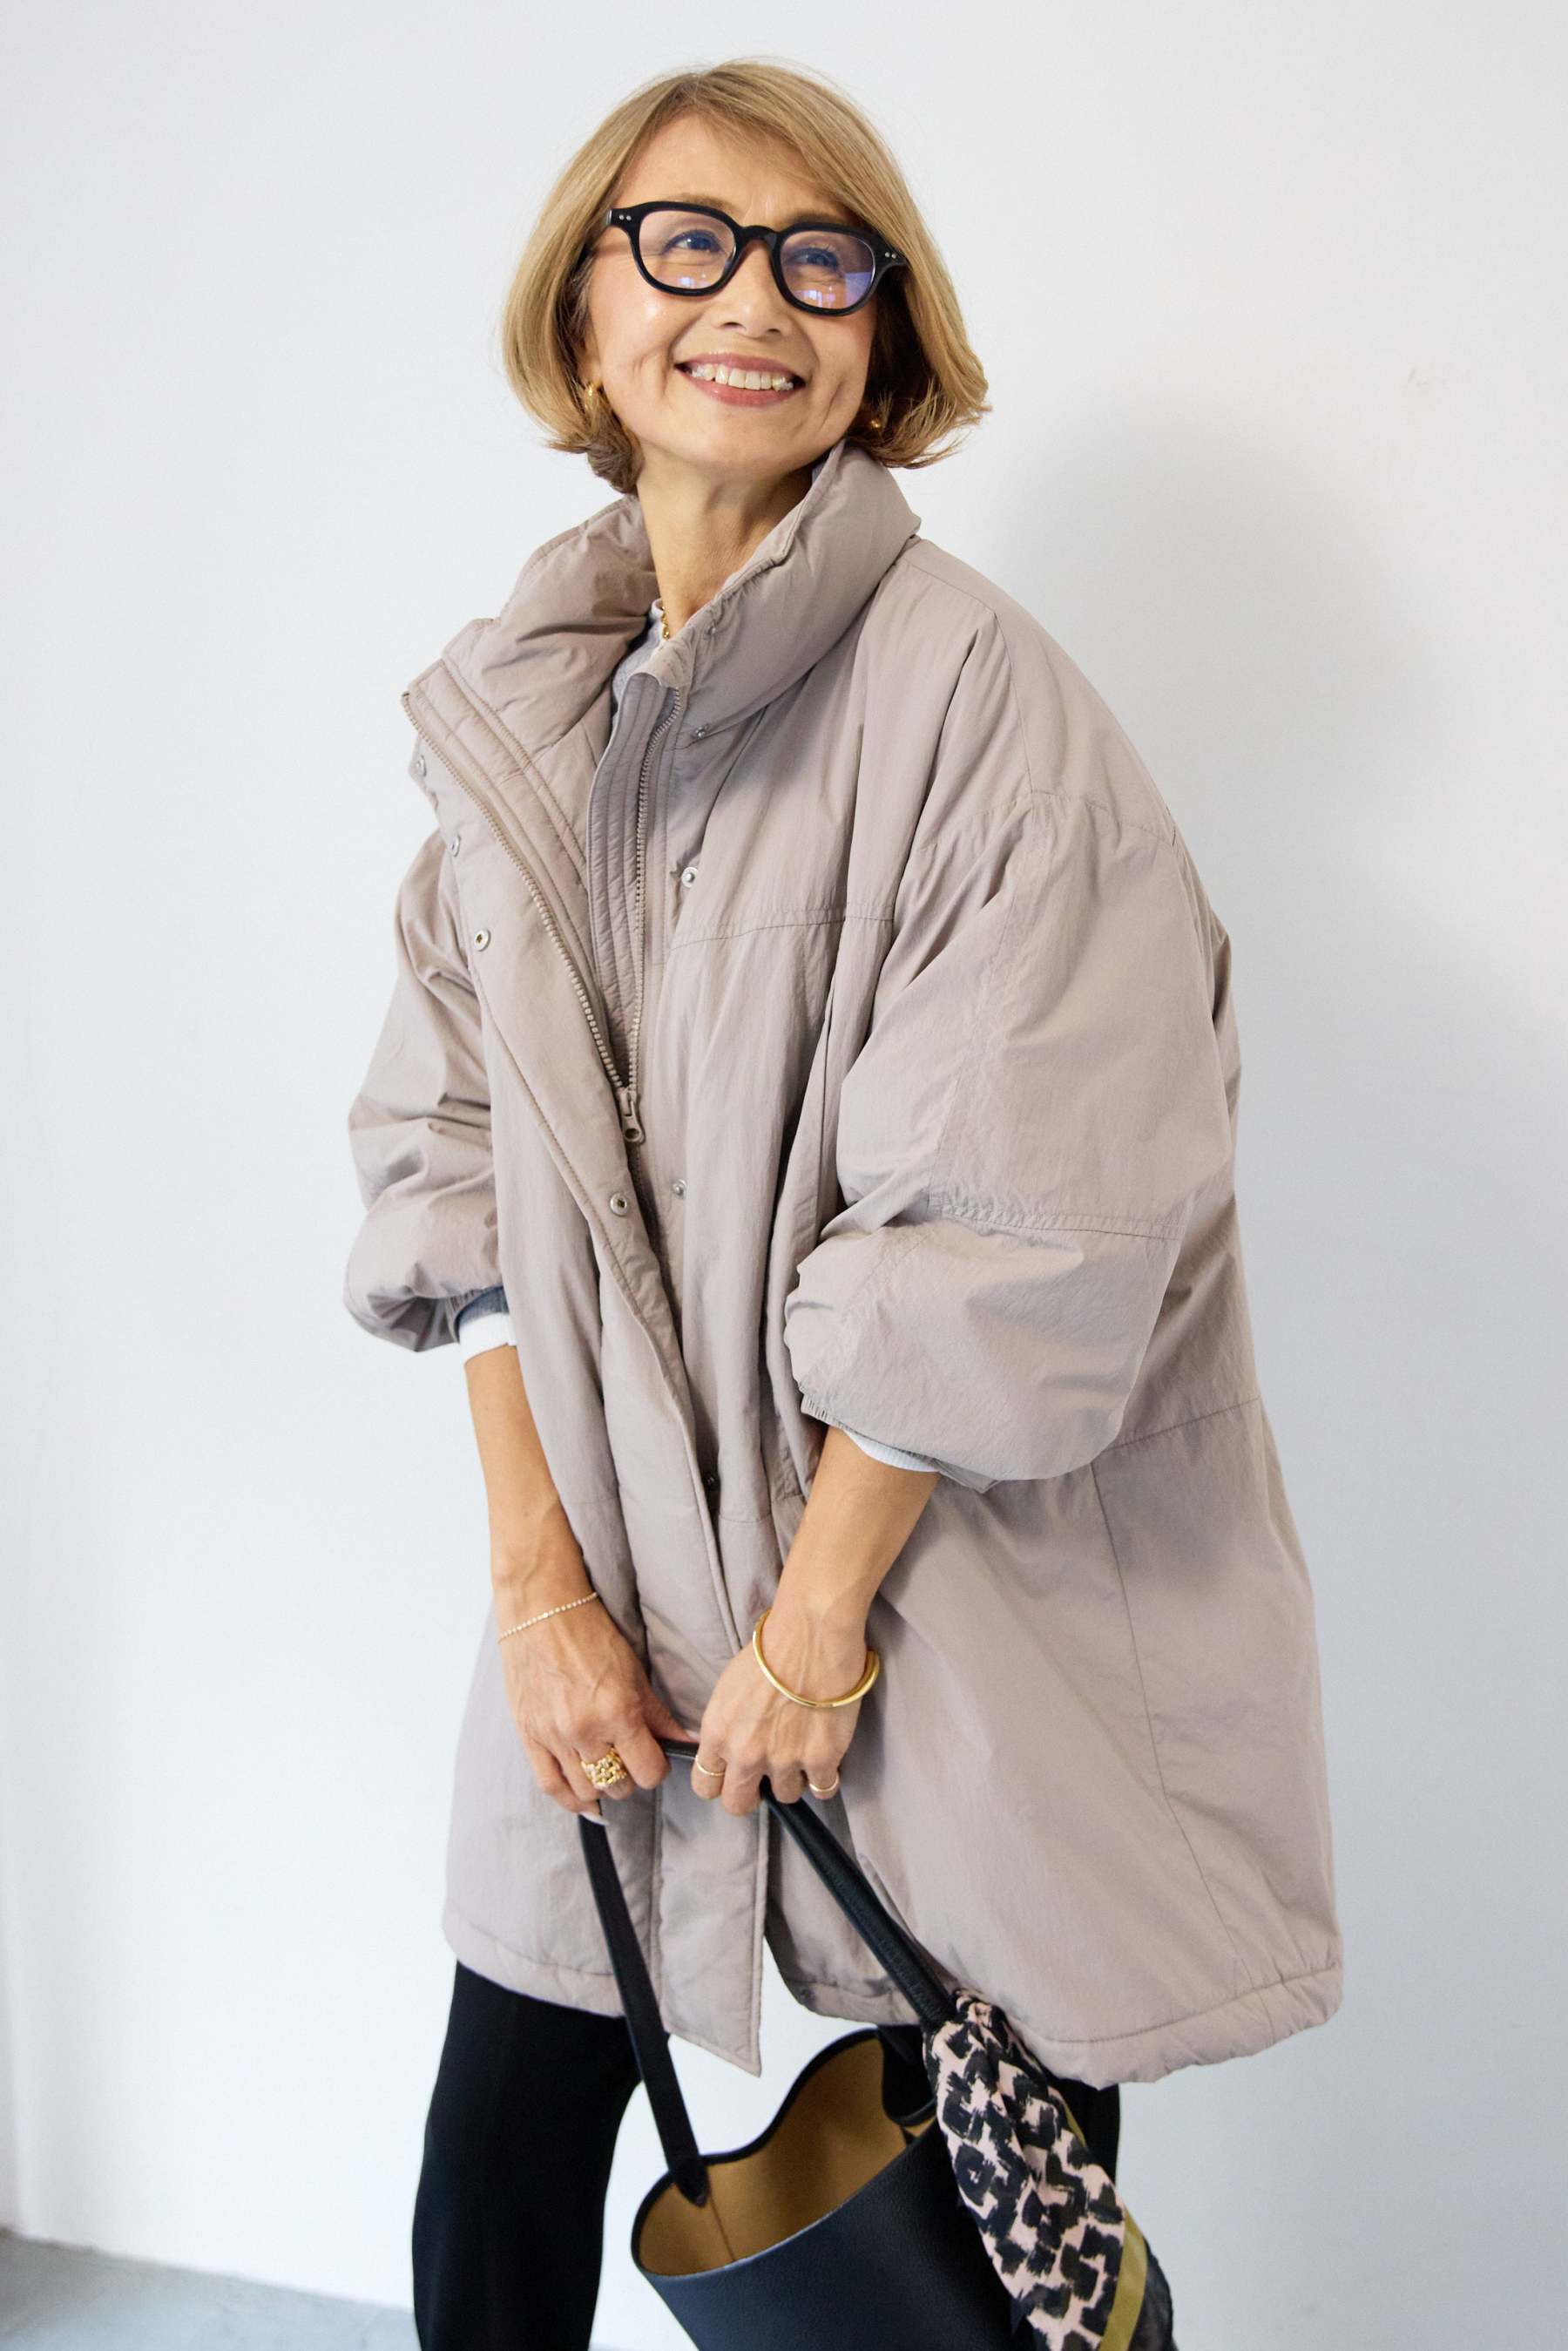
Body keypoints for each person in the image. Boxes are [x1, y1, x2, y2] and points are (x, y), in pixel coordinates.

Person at [342, 57, 1342, 2351]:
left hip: (948, 1577)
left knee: (996, 2192)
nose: (755, 302)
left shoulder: (988, 710)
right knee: (505, 2135)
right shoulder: (524, 719)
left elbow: (1018, 1223)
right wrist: (539, 1591)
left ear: (884, 331)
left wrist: (811, 1625)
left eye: (823, 259)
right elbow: (454, 1176)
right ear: (584, 305)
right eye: (687, 243)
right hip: (616, 1555)